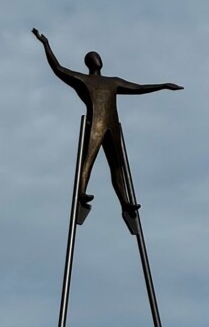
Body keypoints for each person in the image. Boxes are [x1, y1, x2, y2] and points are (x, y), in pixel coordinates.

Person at [32, 29, 183, 217]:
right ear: (89, 62)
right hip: (94, 124)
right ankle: (81, 192)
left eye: (98, 56)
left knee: (118, 165)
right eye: (94, 57)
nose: (98, 59)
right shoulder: (83, 79)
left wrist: (163, 85)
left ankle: (125, 203)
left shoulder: (113, 82)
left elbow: (139, 88)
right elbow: (58, 68)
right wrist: (46, 44)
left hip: (112, 125)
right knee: (88, 159)